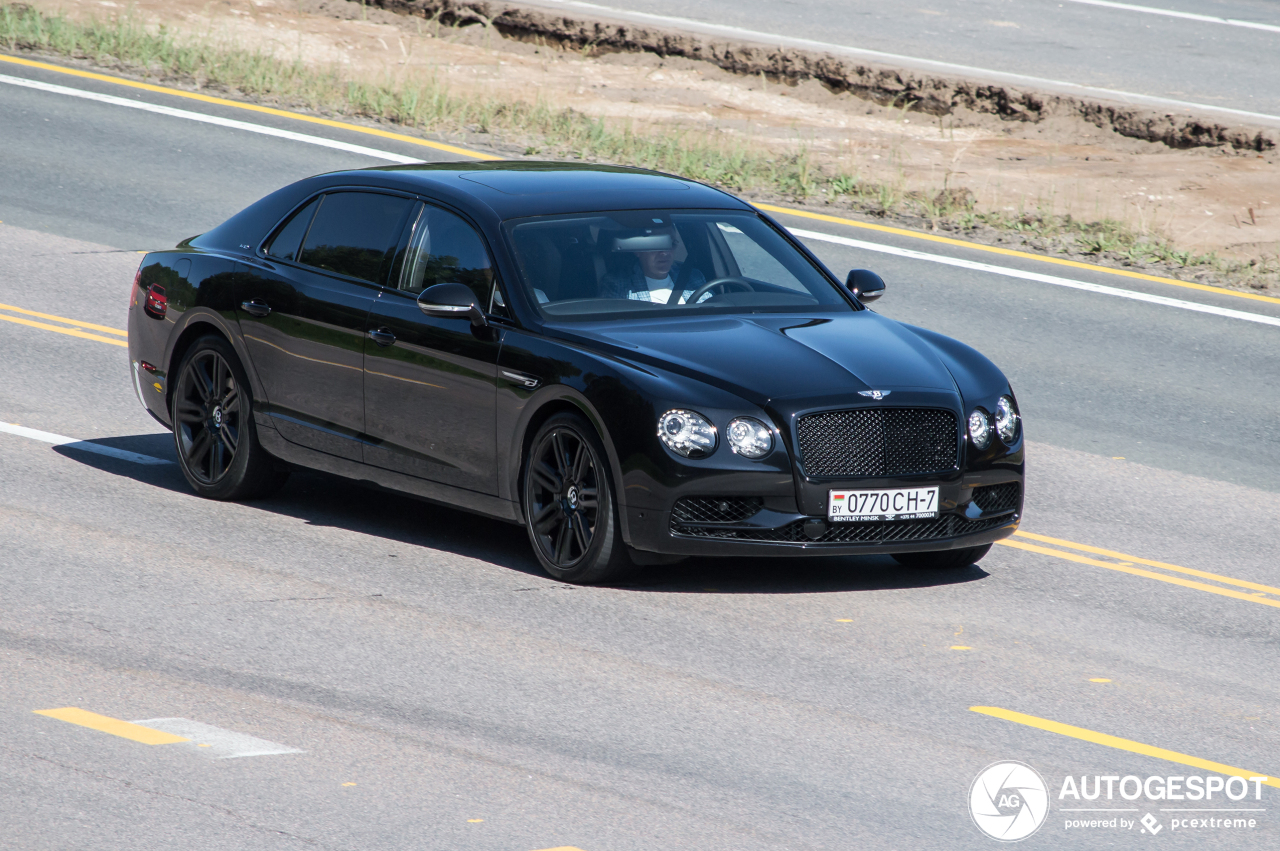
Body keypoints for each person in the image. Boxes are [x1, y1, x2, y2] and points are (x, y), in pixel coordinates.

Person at [600, 226, 706, 304]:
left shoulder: (693, 277)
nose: (665, 252)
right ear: (638, 250)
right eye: (657, 244)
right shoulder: (618, 284)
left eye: (671, 244)